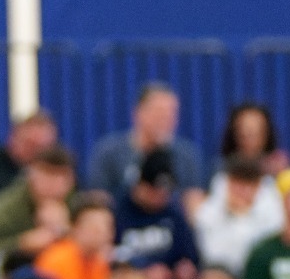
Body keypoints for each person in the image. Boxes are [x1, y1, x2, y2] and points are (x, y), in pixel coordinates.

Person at [88, 82, 208, 213]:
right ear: (138, 113)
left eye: (172, 113)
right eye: (159, 113)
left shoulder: (186, 156)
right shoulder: (109, 153)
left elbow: (195, 204)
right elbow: (97, 203)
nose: (166, 119)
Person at [0, 145, 77, 274]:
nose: (52, 184)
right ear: (30, 174)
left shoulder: (79, 207)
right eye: (46, 174)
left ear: (71, 180)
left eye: (59, 176)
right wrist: (20, 245)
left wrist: (67, 235)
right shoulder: (6, 209)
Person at [116, 147, 201, 279]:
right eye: (153, 191)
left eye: (165, 193)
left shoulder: (174, 215)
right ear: (139, 186)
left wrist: (184, 270)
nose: (160, 197)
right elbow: (110, 258)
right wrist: (142, 274)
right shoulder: (118, 214)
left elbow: (190, 256)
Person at [193, 154, 284, 277]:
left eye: (249, 185)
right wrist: (233, 214)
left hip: (258, 278)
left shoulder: (273, 212)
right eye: (238, 184)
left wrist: (243, 216)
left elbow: (269, 253)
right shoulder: (209, 211)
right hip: (219, 277)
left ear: (258, 186)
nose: (243, 191)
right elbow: (210, 253)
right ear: (228, 183)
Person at [34, 191, 117, 279]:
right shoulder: (57, 259)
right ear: (75, 227)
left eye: (107, 226)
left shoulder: (102, 263)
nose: (102, 233)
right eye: (94, 227)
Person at [0, 109, 58, 219]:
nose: (38, 153)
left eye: (45, 148)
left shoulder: (61, 169)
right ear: (13, 139)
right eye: (31, 145)